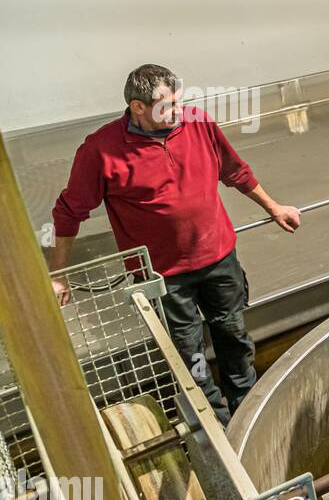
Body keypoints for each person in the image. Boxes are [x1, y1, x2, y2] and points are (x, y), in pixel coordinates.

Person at [50, 64, 300, 423]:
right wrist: (59, 273)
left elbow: (234, 171)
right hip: (165, 277)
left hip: (218, 258)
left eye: (180, 102)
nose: (179, 112)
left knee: (232, 332)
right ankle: (216, 423)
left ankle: (247, 410)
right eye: (167, 107)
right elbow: (69, 211)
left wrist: (274, 206)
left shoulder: (197, 124)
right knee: (188, 352)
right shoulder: (101, 151)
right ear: (138, 107)